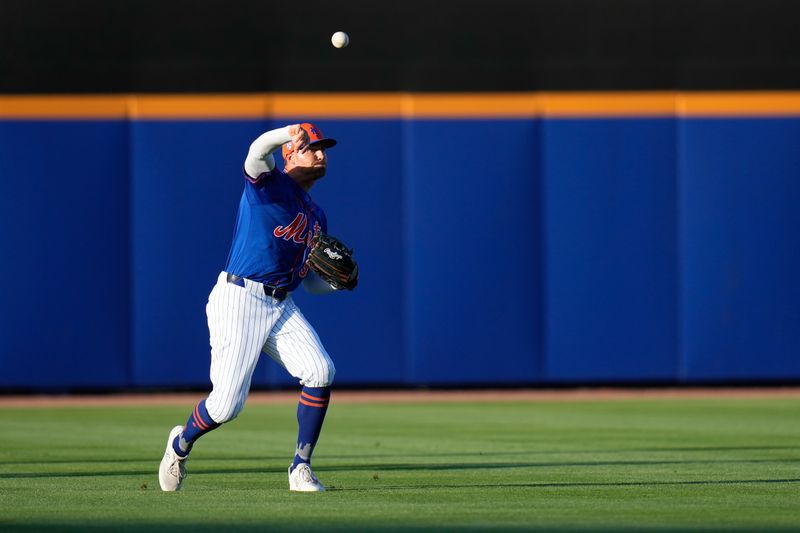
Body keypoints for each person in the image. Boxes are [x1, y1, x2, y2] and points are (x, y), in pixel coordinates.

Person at [158, 122, 352, 492]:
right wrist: (289, 131)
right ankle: (180, 444)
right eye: (312, 147)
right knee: (227, 406)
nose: (321, 154)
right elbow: (256, 151)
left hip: (282, 304)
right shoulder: (269, 184)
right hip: (239, 297)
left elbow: (310, 282)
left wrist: (335, 283)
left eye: (323, 148)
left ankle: (301, 467)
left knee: (320, 370)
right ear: (291, 153)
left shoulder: (317, 215)